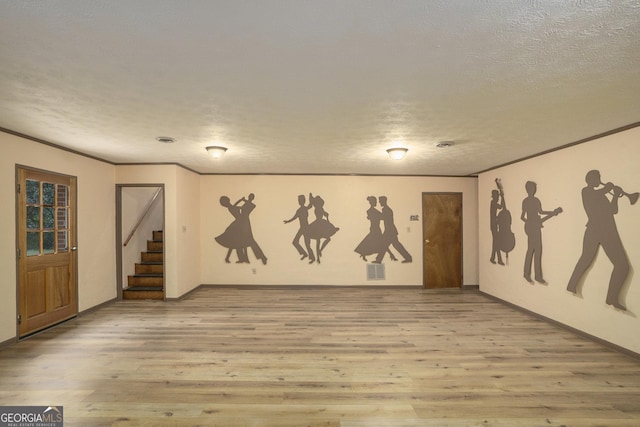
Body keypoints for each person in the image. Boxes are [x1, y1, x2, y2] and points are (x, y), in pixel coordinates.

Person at [567, 170, 630, 310]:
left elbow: (613, 210)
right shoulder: (586, 191)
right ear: (590, 179)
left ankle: (611, 298)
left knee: (622, 265)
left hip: (607, 231)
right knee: (587, 258)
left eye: (599, 178)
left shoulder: (601, 196)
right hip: (595, 229)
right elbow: (596, 195)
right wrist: (607, 188)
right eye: (597, 178)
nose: (599, 180)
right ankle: (572, 285)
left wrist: (615, 196)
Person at [520, 181, 557, 283]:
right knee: (532, 250)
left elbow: (539, 212)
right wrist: (530, 222)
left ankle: (535, 275)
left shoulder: (533, 200)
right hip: (533, 227)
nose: (533, 190)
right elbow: (522, 216)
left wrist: (552, 212)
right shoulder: (530, 201)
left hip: (534, 226)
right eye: (532, 188)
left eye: (533, 188)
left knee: (537, 250)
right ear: (528, 189)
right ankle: (528, 274)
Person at [354, 196, 397, 262]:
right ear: (372, 202)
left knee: (378, 243)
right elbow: (382, 217)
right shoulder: (374, 211)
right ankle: (391, 255)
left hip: (375, 229)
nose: (377, 202)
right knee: (382, 244)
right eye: (375, 201)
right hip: (376, 230)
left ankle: (364, 254)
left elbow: (377, 217)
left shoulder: (370, 211)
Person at [375, 196, 411, 264]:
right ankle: (378, 260)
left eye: (380, 201)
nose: (379, 202)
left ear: (384, 201)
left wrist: (375, 214)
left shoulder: (386, 210)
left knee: (389, 245)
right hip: (390, 231)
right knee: (388, 245)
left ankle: (378, 260)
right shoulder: (386, 209)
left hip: (390, 231)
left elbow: (383, 218)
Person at [307, 193, 339, 263]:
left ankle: (320, 251)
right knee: (320, 240)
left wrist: (327, 217)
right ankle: (318, 254)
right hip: (319, 224)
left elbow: (325, 214)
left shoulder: (319, 208)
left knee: (325, 239)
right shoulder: (319, 208)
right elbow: (324, 213)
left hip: (320, 224)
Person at [283, 194, 314, 262]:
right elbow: (294, 217)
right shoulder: (301, 210)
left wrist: (310, 198)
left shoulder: (302, 209)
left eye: (299, 200)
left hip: (305, 228)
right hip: (302, 228)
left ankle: (311, 257)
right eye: (298, 200)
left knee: (306, 243)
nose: (299, 201)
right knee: (296, 242)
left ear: (302, 201)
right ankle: (305, 254)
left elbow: (310, 205)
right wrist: (288, 221)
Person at [490, 189, 504, 265]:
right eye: (497, 196)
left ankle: (493, 258)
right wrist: (502, 197)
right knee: (496, 243)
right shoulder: (494, 203)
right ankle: (499, 259)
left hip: (494, 225)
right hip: (494, 225)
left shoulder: (493, 203)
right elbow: (501, 207)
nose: (498, 197)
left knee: (495, 243)